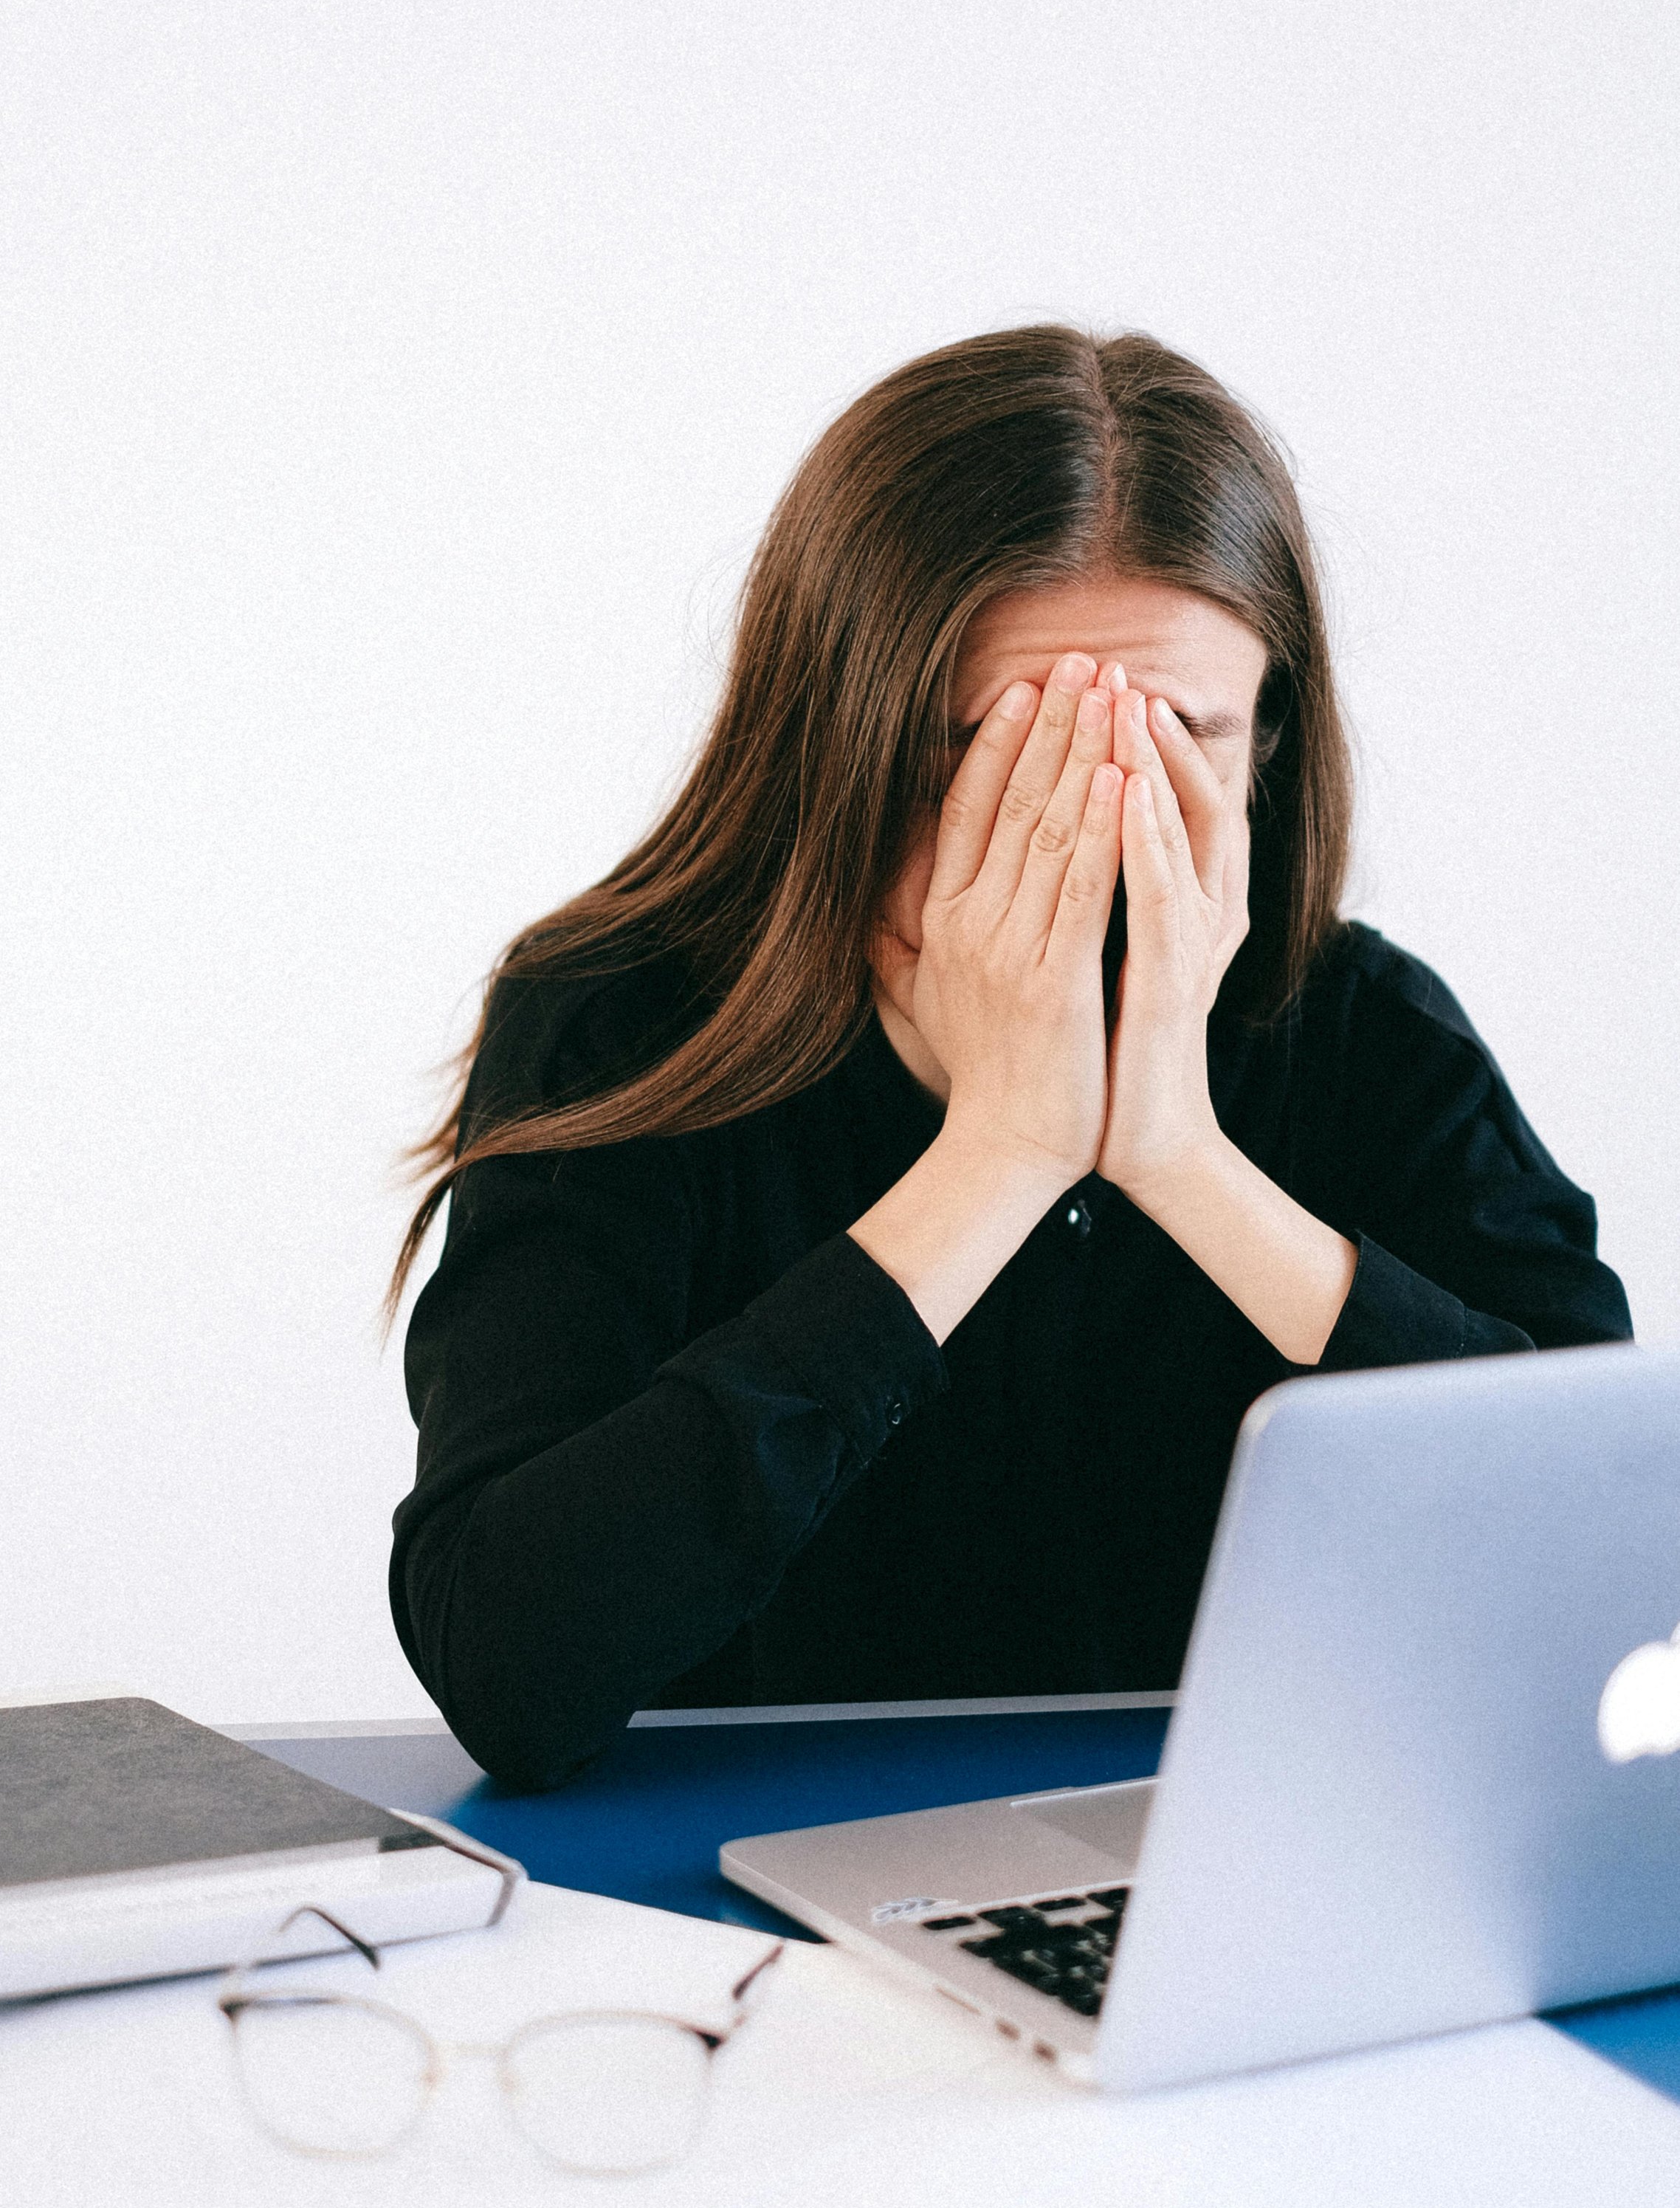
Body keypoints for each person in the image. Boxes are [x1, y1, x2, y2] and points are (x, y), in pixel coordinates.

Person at [386, 326, 1631, 1790]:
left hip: (1218, 1865)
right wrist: (995, 1157)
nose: (1086, 830)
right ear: (836, 740)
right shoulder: (618, 1019)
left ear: (1269, 748)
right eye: (998, 750)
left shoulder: (1363, 1032)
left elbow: (1599, 1569)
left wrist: (1177, 1157)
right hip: (738, 1901)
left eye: (1178, 749)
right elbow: (506, 1665)